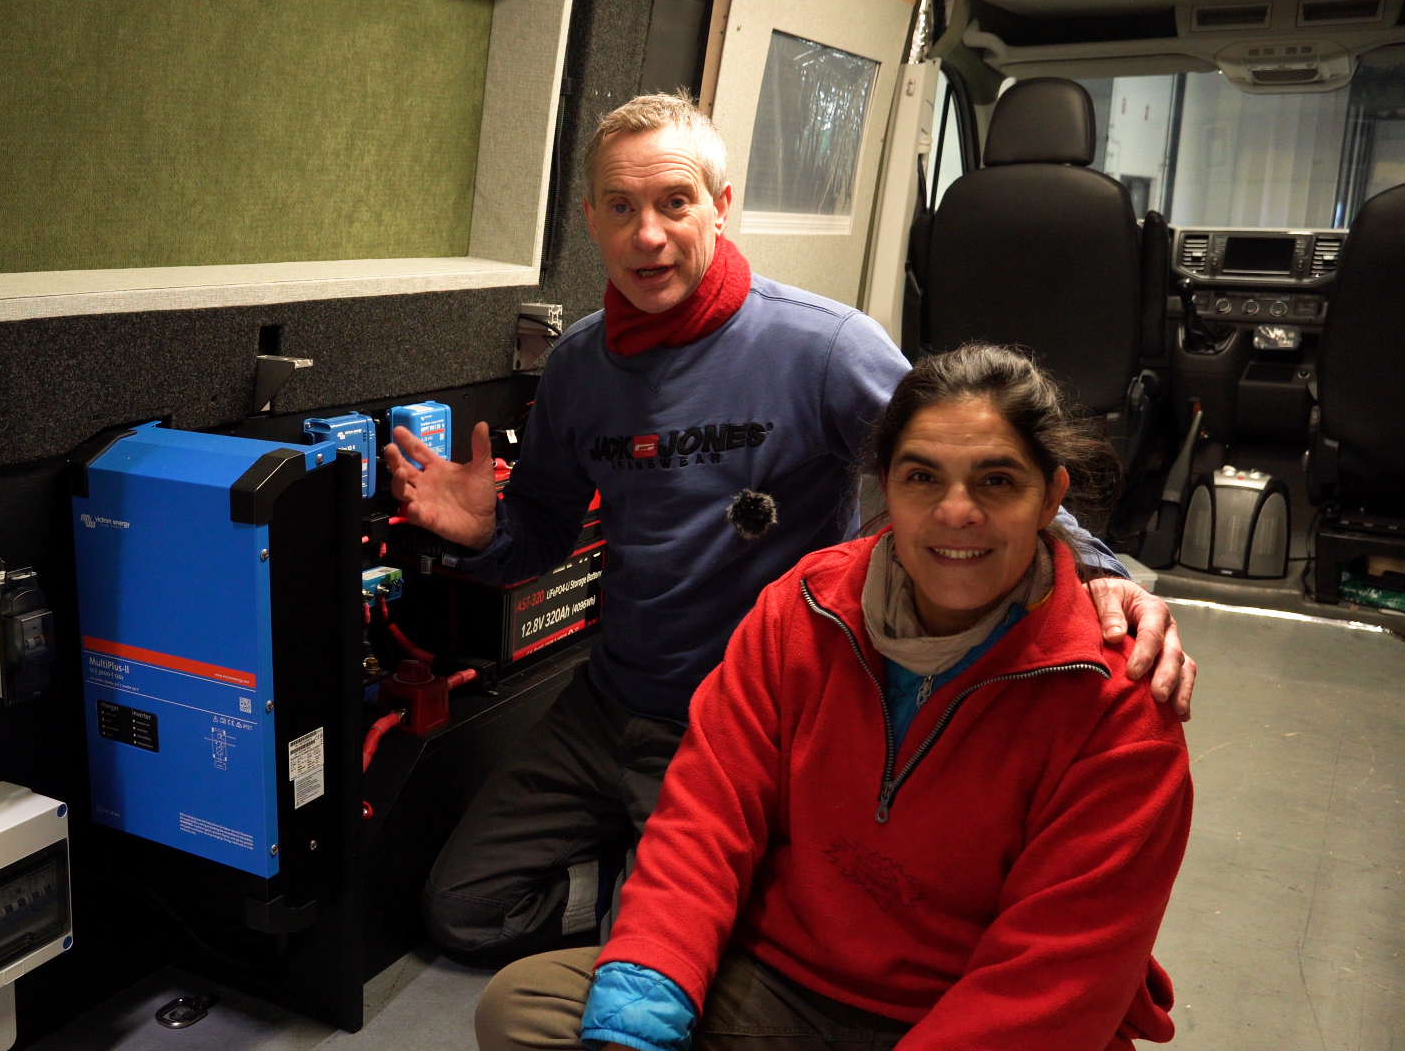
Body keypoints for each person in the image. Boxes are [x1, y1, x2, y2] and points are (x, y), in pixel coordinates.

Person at [384, 92, 1196, 963]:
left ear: (720, 206)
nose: (647, 235)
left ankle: (655, 891)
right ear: (591, 221)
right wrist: (484, 536)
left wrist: (1101, 572)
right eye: (620, 208)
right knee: (465, 910)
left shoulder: (824, 347)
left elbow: (972, 464)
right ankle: (623, 878)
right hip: (608, 703)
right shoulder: (580, 365)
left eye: (674, 202)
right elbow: (542, 533)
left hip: (744, 721)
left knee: (668, 953)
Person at [474, 343, 1193, 1051]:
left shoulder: (1122, 702)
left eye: (997, 481)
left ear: (1051, 498)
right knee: (528, 1007)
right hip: (782, 982)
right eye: (922, 477)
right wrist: (638, 1030)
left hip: (959, 1006)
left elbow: (1054, 982)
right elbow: (704, 819)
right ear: (885, 486)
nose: (956, 511)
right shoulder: (803, 606)